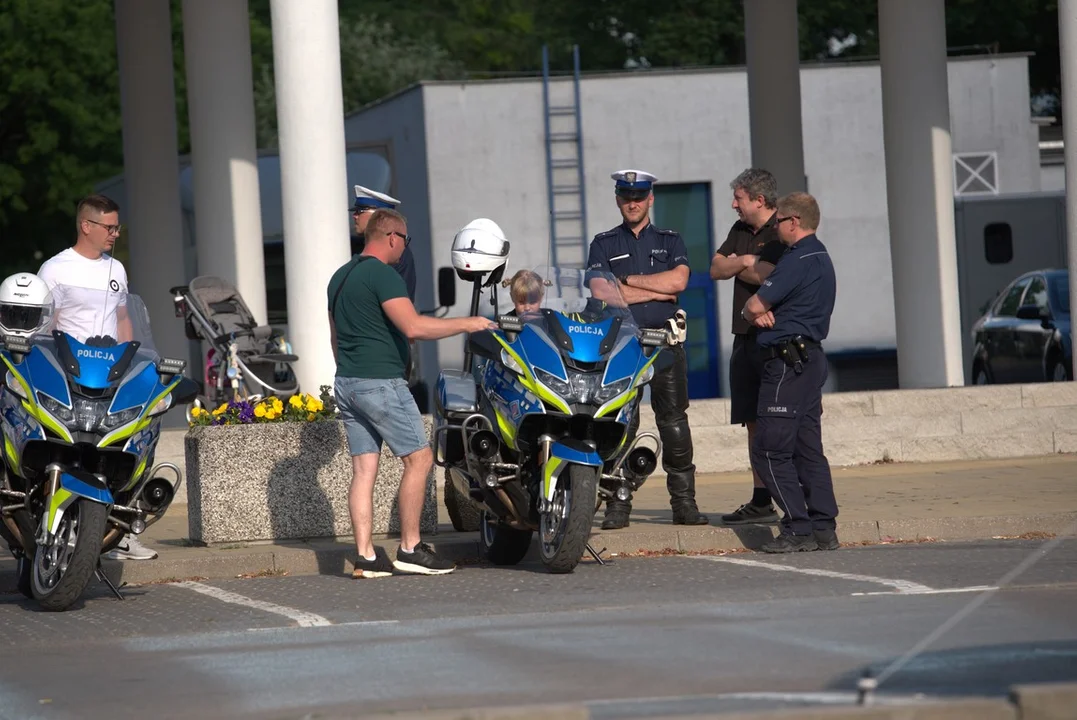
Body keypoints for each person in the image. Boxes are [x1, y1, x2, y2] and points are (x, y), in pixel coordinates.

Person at [328, 208, 496, 578]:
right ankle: (410, 548)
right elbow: (414, 327)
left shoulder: (340, 276)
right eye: (405, 240)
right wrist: (471, 323)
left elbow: (334, 338)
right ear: (391, 237)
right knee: (418, 461)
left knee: (363, 469)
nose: (405, 248)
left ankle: (366, 557)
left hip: (348, 382)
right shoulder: (383, 275)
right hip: (382, 382)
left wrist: (352, 372)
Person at [586, 169, 709, 529]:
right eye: (625, 197)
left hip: (665, 344)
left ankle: (684, 504)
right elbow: (602, 293)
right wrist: (657, 291)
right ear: (617, 200)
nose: (632, 203)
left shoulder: (671, 240)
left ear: (651, 199)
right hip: (622, 347)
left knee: (674, 424)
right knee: (620, 423)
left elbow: (679, 281)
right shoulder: (603, 243)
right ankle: (617, 506)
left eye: (638, 197)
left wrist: (625, 282)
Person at [37, 194, 154, 561]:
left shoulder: (115, 270)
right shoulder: (55, 269)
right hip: (69, 375)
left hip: (109, 374)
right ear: (86, 225)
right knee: (65, 447)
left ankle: (121, 530)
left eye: (117, 227)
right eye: (109, 227)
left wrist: (133, 363)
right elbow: (45, 326)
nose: (115, 234)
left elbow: (122, 320)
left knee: (123, 447)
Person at [741, 192, 839, 553]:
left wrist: (754, 311)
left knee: (768, 450)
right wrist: (757, 311)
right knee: (807, 448)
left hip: (787, 365)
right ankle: (823, 527)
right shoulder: (821, 256)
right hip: (809, 361)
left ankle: (798, 527)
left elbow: (753, 305)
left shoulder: (797, 259)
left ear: (793, 222)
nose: (775, 227)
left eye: (779, 220)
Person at [709, 169, 788, 526]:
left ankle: (791, 495)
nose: (733, 204)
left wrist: (744, 267)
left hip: (774, 340)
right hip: (743, 338)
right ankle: (761, 499)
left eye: (739, 198)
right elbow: (715, 268)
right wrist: (744, 262)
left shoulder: (782, 230)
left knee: (779, 420)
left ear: (759, 199)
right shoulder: (740, 231)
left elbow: (773, 275)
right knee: (752, 421)